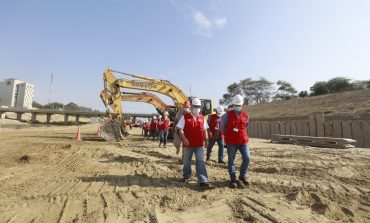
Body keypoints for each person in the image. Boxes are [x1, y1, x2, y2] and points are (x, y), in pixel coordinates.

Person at [177, 97, 213, 190]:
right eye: (195, 106)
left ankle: (203, 181)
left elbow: (205, 129)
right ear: (191, 107)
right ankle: (186, 176)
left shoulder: (202, 117)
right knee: (187, 161)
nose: (197, 108)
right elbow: (180, 129)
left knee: (200, 161)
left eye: (198, 107)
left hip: (199, 144)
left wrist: (206, 139)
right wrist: (184, 138)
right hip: (188, 144)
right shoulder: (184, 117)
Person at [221, 94, 251, 189]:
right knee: (231, 160)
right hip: (231, 142)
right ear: (233, 105)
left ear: (242, 105)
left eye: (239, 105)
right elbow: (223, 127)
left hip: (243, 141)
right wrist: (228, 137)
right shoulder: (227, 115)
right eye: (236, 105)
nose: (238, 107)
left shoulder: (246, 115)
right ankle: (233, 179)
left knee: (247, 158)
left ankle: (242, 176)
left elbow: (246, 126)